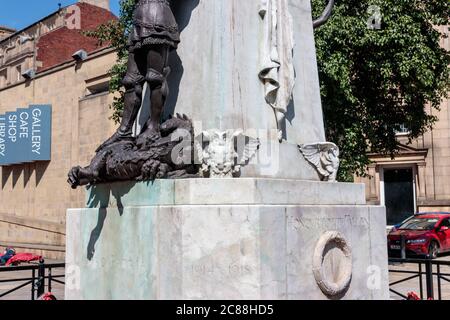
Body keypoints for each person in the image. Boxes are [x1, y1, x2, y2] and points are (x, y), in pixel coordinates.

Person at [98, 0, 180, 151]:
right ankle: (124, 131)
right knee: (131, 82)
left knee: (155, 77)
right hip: (138, 20)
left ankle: (154, 127)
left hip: (159, 18)